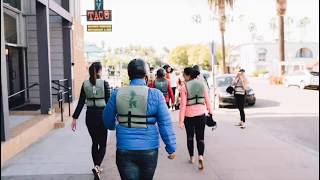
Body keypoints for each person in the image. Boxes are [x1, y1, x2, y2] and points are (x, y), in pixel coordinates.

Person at [103, 59, 176, 180]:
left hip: (124, 147)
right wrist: (171, 147)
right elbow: (165, 123)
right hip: (149, 149)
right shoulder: (156, 94)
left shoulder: (118, 93)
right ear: (146, 76)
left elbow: (107, 119)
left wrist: (113, 125)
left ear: (129, 75)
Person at [71, 62, 111, 180]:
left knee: (95, 142)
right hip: (102, 115)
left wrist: (74, 118)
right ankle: (97, 167)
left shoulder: (85, 84)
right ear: (99, 71)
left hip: (90, 116)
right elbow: (109, 103)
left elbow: (80, 103)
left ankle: (96, 168)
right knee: (103, 144)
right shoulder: (104, 83)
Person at [179, 67, 213, 171]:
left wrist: (181, 121)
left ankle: (192, 158)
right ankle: (201, 156)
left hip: (189, 116)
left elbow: (183, 105)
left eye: (184, 75)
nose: (183, 77)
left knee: (190, 137)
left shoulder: (184, 87)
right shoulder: (202, 84)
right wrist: (210, 112)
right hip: (201, 114)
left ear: (188, 75)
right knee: (200, 138)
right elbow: (207, 100)